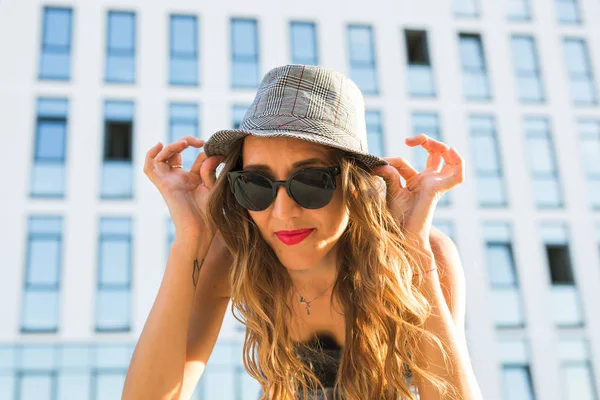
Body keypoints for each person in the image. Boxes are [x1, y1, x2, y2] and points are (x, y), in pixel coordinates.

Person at [123, 64, 483, 400]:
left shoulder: (421, 255)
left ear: (355, 185)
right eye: (256, 185)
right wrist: (190, 238)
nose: (282, 212)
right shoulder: (232, 255)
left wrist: (414, 246)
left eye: (310, 182)